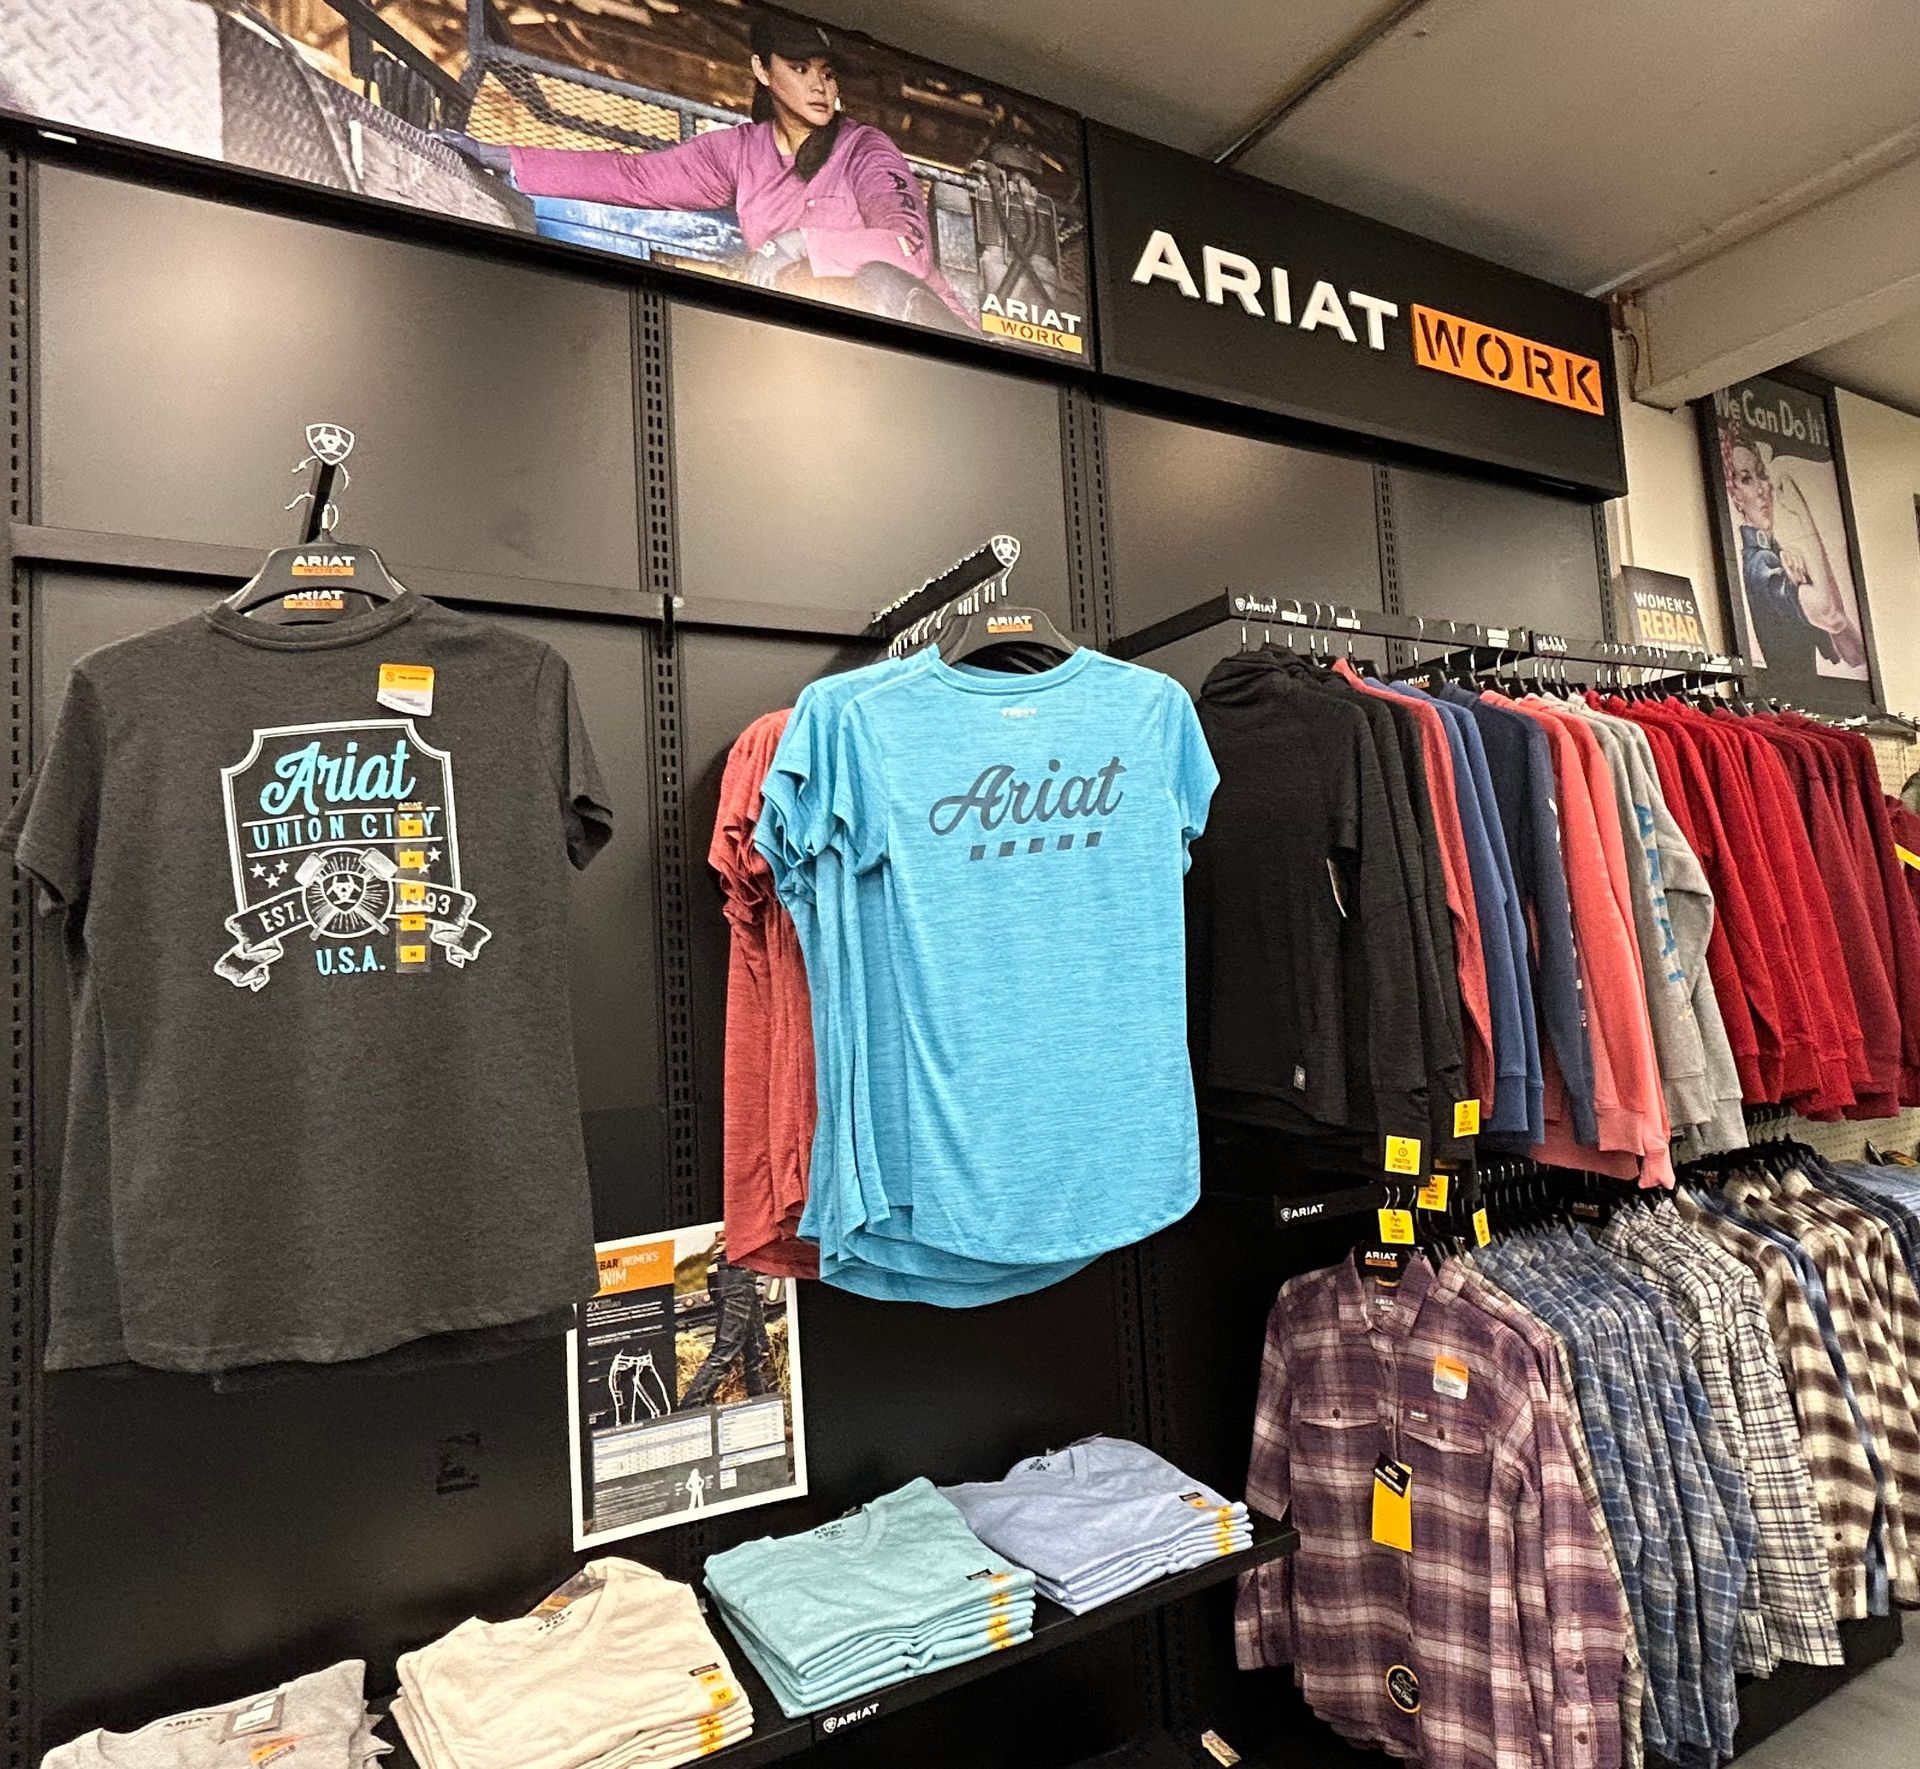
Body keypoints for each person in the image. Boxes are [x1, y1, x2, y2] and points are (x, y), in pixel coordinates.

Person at [446, 15, 975, 333]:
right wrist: (508, 159)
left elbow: (909, 248)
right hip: (831, 342)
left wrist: (796, 243)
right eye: (800, 68)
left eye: (827, 73)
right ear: (763, 72)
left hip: (927, 340)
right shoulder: (739, 151)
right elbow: (637, 178)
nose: (820, 87)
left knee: (877, 280)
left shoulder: (865, 147)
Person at [1721, 420, 1867, 677]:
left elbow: (1854, 652)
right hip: (1778, 710)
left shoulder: (1777, 556)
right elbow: (1828, 613)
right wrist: (1803, 516)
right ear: (1735, 496)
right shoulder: (1760, 564)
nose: (1761, 489)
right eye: (1746, 479)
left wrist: (1807, 580)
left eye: (1761, 474)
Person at [680, 1240, 772, 1408]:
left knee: (758, 1348)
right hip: (734, 1270)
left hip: (737, 1271)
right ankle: (689, 1410)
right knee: (727, 1349)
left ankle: (764, 1412)